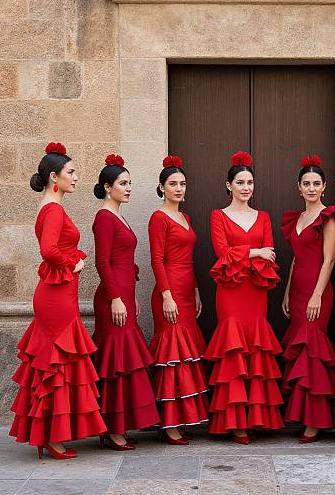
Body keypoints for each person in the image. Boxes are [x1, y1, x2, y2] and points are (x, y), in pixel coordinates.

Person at [9, 142, 106, 459]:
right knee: (56, 361)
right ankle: (51, 437)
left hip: (58, 293)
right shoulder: (53, 209)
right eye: (71, 172)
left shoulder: (52, 206)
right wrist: (73, 261)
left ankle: (50, 435)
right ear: (55, 177)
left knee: (56, 361)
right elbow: (48, 250)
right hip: (55, 296)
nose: (76, 177)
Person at [204, 151, 284, 444]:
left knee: (255, 347)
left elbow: (271, 253)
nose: (246, 187)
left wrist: (249, 257)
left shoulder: (263, 217)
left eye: (250, 182)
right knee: (234, 349)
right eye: (240, 182)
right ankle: (235, 422)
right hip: (230, 292)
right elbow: (221, 253)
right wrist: (253, 252)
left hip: (256, 290)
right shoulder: (218, 216)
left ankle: (256, 418)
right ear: (229, 186)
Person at [92, 153, 159, 451]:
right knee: (116, 363)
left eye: (130, 182)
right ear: (108, 187)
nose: (129, 187)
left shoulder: (119, 214)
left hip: (124, 296)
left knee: (123, 361)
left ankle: (116, 427)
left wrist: (130, 297)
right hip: (112, 299)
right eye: (123, 183)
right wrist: (116, 298)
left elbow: (123, 261)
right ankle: (112, 430)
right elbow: (102, 263)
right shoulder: (104, 217)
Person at [148, 155, 209, 445]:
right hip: (169, 292)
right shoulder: (157, 218)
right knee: (171, 354)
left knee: (185, 355)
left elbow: (189, 259)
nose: (179, 188)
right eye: (173, 184)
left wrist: (195, 290)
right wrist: (167, 296)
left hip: (187, 289)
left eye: (182, 184)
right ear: (161, 188)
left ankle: (181, 418)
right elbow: (157, 261)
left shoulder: (186, 217)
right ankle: (169, 424)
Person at [281, 155, 335, 443]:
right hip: (298, 290)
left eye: (316, 183)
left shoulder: (327, 217)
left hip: (318, 292)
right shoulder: (298, 218)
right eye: (307, 183)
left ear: (324, 186)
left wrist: (317, 294)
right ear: (299, 187)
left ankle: (315, 422)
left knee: (313, 350)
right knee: (298, 348)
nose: (311, 188)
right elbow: (295, 259)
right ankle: (302, 416)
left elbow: (329, 260)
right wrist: (287, 290)